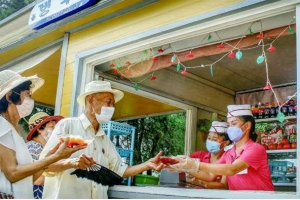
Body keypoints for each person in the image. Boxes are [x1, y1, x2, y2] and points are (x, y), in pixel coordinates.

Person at [39, 80, 164, 199]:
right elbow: (44, 166)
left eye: (113, 104)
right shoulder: (67, 126)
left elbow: (118, 170)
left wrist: (147, 165)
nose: (112, 108)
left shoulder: (104, 139)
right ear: (91, 100)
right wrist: (72, 163)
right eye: (108, 102)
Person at [0, 70, 86, 199]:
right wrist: (55, 157)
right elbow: (12, 173)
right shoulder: (2, 125)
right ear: (9, 96)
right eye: (28, 94)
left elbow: (30, 177)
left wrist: (51, 155)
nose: (31, 100)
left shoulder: (13, 130)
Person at [169, 104, 274, 191]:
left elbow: (231, 169)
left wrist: (195, 164)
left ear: (246, 126)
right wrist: (183, 166)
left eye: (234, 123)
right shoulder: (229, 153)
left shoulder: (256, 149)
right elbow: (210, 175)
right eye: (229, 124)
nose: (229, 128)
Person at [26, 112, 63, 199]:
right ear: (39, 129)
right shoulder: (33, 148)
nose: (55, 131)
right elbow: (37, 180)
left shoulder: (44, 148)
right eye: (52, 127)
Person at [187, 121, 231, 189]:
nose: (210, 142)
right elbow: (183, 163)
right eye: (209, 138)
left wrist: (201, 183)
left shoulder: (228, 159)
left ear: (225, 143)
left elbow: (223, 185)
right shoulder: (198, 155)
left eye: (214, 139)